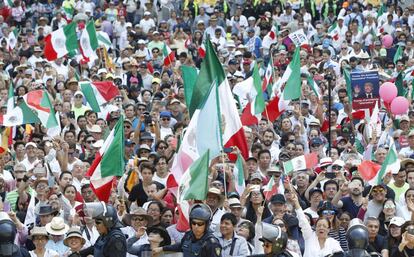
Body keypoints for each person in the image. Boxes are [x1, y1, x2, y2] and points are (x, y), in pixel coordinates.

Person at [153, 204, 222, 257]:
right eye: (193, 223)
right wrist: (162, 248)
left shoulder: (212, 243)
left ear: (207, 224)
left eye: (200, 224)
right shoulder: (188, 235)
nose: (196, 226)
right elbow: (180, 246)